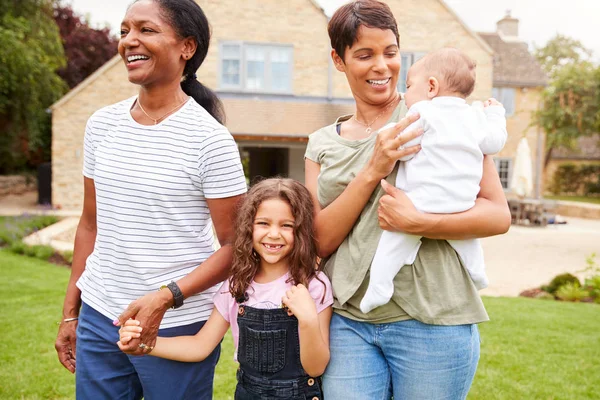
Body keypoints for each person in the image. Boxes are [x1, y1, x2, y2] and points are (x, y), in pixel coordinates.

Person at [304, 1, 511, 399]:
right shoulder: (321, 143)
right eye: (364, 55)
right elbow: (320, 241)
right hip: (350, 320)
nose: (382, 66)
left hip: (433, 318)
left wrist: (421, 223)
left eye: (391, 52)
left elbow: (496, 215)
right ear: (339, 60)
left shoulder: (438, 111)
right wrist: (372, 169)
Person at [54, 0, 247, 398]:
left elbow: (237, 246)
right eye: (124, 31)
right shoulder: (102, 125)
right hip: (100, 319)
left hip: (177, 324)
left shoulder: (211, 141)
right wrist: (71, 313)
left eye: (146, 30)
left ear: (186, 47)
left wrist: (166, 297)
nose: (129, 41)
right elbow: (91, 224)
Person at [118, 178, 333, 400]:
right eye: (263, 223)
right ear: (248, 227)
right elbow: (200, 345)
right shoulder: (236, 286)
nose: (274, 234)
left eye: (286, 225)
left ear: (301, 231)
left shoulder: (314, 286)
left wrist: (307, 321)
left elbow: (315, 368)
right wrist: (145, 344)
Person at [360, 48, 508, 313]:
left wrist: (380, 134)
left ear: (431, 87)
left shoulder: (423, 114)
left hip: (422, 203)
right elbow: (494, 142)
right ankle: (478, 273)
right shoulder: (475, 116)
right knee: (467, 240)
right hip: (463, 203)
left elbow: (400, 141)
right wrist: (495, 115)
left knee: (391, 244)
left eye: (408, 86)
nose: (405, 94)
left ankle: (379, 288)